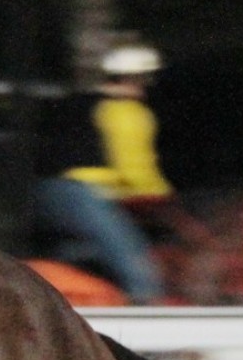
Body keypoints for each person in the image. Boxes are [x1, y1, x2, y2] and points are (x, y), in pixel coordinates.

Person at [32, 43, 172, 304]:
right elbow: (135, 171)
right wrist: (164, 200)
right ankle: (147, 316)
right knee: (140, 271)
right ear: (135, 79)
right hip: (83, 194)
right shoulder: (125, 111)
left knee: (75, 259)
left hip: (46, 194)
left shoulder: (73, 104)